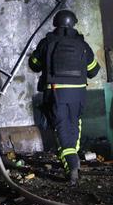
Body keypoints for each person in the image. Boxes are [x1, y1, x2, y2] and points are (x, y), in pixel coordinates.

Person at [29, 9, 100, 184]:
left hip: (56, 91)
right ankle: (72, 158)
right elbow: (94, 71)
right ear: (73, 23)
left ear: (56, 24)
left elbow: (34, 64)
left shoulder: (47, 42)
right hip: (78, 92)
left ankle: (71, 163)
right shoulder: (82, 45)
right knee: (74, 122)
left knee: (61, 127)